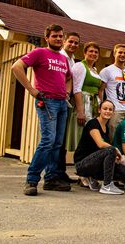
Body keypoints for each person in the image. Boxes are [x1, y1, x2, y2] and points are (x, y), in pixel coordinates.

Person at [12, 24, 72, 196]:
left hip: (62, 104)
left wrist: (67, 92)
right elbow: (16, 67)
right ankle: (31, 180)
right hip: (47, 102)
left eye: (61, 36)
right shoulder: (39, 52)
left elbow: (68, 77)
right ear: (47, 38)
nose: (59, 39)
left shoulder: (63, 59)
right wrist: (31, 90)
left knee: (57, 143)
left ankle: (52, 179)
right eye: (55, 36)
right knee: (48, 140)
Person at [74, 100, 125, 195]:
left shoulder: (106, 127)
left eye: (110, 109)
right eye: (105, 109)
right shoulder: (93, 123)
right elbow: (100, 144)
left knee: (124, 172)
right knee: (111, 149)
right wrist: (115, 150)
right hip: (82, 164)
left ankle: (91, 177)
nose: (107, 111)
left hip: (95, 163)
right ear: (99, 110)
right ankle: (107, 186)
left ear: (113, 112)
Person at [66, 42, 101, 152]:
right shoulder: (80, 66)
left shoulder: (94, 69)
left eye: (96, 52)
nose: (93, 54)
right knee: (81, 132)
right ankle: (80, 161)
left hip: (93, 103)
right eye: (90, 51)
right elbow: (77, 89)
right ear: (85, 52)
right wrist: (80, 111)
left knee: (91, 132)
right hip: (83, 102)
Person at [99, 44, 125, 139]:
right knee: (114, 137)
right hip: (115, 110)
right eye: (120, 52)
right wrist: (101, 108)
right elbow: (101, 90)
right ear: (114, 53)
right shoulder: (106, 71)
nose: (123, 55)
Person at [58, 31, 80, 183]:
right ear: (64, 41)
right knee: (56, 140)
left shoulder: (73, 60)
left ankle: (61, 172)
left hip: (69, 102)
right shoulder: (60, 57)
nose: (73, 45)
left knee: (63, 139)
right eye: (70, 41)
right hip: (59, 100)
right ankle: (54, 173)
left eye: (76, 43)